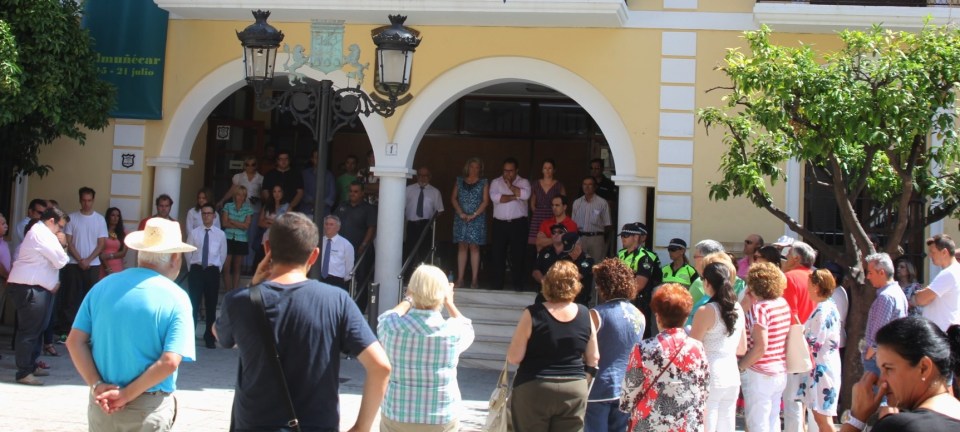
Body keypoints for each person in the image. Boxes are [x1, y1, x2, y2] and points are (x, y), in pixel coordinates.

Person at [215, 212, 391, 431]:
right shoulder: (336, 301)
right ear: (314, 255)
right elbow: (381, 366)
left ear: (268, 249)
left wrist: (253, 285)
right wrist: (360, 428)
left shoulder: (239, 301)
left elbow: (220, 334)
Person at [66, 217, 196, 430]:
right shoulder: (177, 297)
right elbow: (170, 361)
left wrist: (96, 384)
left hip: (102, 404)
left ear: (139, 253)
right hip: (147, 408)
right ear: (175, 258)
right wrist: (125, 395)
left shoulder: (102, 286)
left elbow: (74, 341)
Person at [378, 264, 474, 431]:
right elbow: (467, 327)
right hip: (441, 417)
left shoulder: (391, 327)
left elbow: (386, 316)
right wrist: (449, 302)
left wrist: (408, 300)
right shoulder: (453, 332)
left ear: (410, 290)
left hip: (397, 414)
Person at [507, 260, 599, 431]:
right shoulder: (585, 314)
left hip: (534, 385)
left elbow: (514, 357)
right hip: (574, 386)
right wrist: (583, 380)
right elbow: (594, 357)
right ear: (575, 285)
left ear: (547, 283)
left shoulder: (532, 313)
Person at [840, 317, 960, 432]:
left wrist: (856, 418)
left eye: (888, 368)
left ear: (924, 368)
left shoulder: (900, 426)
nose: (881, 381)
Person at [619, 283, 709, 432]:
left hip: (651, 423)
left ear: (658, 316)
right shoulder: (697, 348)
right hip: (687, 424)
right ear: (686, 317)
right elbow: (704, 389)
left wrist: (626, 407)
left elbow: (628, 394)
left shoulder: (643, 349)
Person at [7, 207, 69, 385]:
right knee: (29, 331)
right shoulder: (41, 233)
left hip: (38, 288)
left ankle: (31, 365)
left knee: (37, 330)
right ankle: (24, 372)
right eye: (60, 226)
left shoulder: (44, 233)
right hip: (30, 288)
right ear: (51, 221)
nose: (61, 231)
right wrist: (64, 245)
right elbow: (61, 261)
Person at [585, 258, 644, 432]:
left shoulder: (596, 314)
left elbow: (588, 351)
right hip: (627, 387)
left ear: (604, 285)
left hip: (599, 387)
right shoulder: (639, 315)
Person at [690, 263, 746, 432]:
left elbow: (692, 347)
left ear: (707, 282)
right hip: (731, 372)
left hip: (710, 372)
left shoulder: (706, 310)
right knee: (727, 423)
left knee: (707, 422)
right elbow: (742, 348)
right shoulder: (738, 307)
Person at [738, 261, 792, 432]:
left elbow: (760, 347)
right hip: (779, 370)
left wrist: (741, 366)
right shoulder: (782, 303)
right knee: (773, 419)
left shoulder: (760, 309)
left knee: (757, 423)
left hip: (759, 372)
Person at [780, 241, 818, 432]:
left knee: (793, 398)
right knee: (814, 399)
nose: (785, 260)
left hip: (796, 343)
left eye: (788, 256)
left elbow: (790, 314)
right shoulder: (817, 278)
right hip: (817, 344)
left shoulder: (789, 278)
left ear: (796, 258)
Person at [798, 269, 842, 432]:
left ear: (816, 287)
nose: (807, 288)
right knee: (820, 417)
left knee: (822, 418)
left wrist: (798, 334)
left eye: (809, 285)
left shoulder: (823, 310)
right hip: (824, 365)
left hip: (822, 368)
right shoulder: (829, 306)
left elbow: (814, 342)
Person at [61, 187, 108, 337]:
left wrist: (88, 260)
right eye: (84, 200)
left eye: (89, 200)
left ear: (93, 200)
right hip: (73, 264)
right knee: (70, 297)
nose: (86, 203)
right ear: (80, 200)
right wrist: (80, 260)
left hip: (93, 265)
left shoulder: (99, 219)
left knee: (90, 298)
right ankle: (67, 330)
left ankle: (88, 330)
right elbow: (69, 242)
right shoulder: (72, 218)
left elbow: (101, 244)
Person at [186, 203, 227, 349]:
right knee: (193, 303)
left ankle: (209, 336)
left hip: (212, 270)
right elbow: (188, 252)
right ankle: (188, 336)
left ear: (214, 216)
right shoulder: (194, 233)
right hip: (197, 269)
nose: (206, 216)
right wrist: (191, 268)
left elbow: (222, 254)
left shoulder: (220, 234)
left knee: (211, 305)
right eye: (203, 213)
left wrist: (216, 269)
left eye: (209, 213)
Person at [863, 252, 909, 378]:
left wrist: (869, 355)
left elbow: (878, 334)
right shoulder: (898, 292)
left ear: (882, 273)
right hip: (889, 356)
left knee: (876, 390)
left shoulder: (886, 297)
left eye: (870, 273)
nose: (868, 277)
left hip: (878, 360)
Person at [490, 157, 532, 290]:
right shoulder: (496, 182)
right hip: (500, 224)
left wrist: (510, 187)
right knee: (498, 255)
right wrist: (515, 197)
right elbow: (497, 198)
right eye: (505, 171)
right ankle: (497, 286)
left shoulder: (524, 182)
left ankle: (518, 286)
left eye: (510, 171)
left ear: (517, 170)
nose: (507, 174)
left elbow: (525, 195)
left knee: (518, 255)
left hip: (518, 224)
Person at [616, 222, 661, 338]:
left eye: (626, 235)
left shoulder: (645, 257)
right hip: (622, 299)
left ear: (636, 237)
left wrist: (619, 291)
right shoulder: (620, 254)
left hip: (639, 301)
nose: (622, 238)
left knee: (640, 332)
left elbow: (639, 284)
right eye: (622, 235)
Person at [217, 155, 263, 266]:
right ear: (244, 166)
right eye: (247, 164)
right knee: (239, 235)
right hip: (239, 210)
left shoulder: (261, 178)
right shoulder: (238, 177)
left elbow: (264, 194)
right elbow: (232, 191)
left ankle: (249, 265)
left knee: (251, 237)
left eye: (253, 164)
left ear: (256, 166)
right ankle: (239, 265)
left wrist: (259, 199)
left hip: (254, 210)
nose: (250, 167)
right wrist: (222, 200)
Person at [451, 157, 489, 288]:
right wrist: (460, 212)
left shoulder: (484, 182)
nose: (474, 169)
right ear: (467, 167)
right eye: (472, 166)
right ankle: (460, 278)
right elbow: (453, 198)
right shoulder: (459, 180)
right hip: (461, 218)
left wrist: (474, 214)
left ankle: (474, 279)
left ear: (480, 169)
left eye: (477, 167)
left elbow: (485, 201)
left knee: (474, 247)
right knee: (462, 246)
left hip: (477, 218)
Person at [912, 234, 960, 331]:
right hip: (947, 331)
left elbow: (920, 299)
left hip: (942, 332)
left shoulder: (948, 273)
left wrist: (917, 295)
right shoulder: (955, 270)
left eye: (933, 252)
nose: (930, 256)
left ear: (944, 252)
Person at [404, 166, 444, 274]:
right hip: (411, 224)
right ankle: (407, 276)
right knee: (409, 251)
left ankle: (424, 275)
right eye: (420, 175)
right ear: (417, 176)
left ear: (429, 177)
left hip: (426, 224)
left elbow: (439, 210)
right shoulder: (408, 189)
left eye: (425, 176)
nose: (422, 178)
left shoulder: (435, 192)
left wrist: (431, 221)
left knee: (425, 251)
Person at [221, 185, 254, 292]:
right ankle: (227, 290)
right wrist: (240, 224)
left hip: (241, 240)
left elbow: (246, 226)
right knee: (226, 266)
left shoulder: (248, 208)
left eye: (243, 195)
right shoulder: (228, 206)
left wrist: (232, 221)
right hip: (228, 238)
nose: (241, 197)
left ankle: (234, 291)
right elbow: (224, 223)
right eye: (239, 194)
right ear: (235, 195)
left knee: (237, 266)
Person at [572, 176, 612, 261]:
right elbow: (573, 224)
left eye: (590, 184)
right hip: (581, 238)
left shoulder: (602, 203)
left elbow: (607, 225)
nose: (587, 187)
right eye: (584, 184)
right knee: (580, 263)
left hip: (596, 238)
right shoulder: (577, 203)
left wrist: (604, 240)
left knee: (596, 265)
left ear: (595, 187)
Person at [528, 159, 566, 248]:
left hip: (553, 216)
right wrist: (538, 212)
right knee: (536, 245)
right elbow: (532, 204)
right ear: (542, 170)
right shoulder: (536, 184)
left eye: (550, 168)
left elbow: (563, 203)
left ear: (554, 170)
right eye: (545, 168)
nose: (547, 170)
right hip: (538, 217)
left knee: (552, 242)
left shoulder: (559, 185)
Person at [335, 181, 377, 259]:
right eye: (350, 191)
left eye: (356, 192)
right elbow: (333, 222)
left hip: (359, 249)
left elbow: (371, 228)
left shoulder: (369, 209)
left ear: (362, 193)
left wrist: (363, 245)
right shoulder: (342, 205)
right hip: (342, 248)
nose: (352, 194)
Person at [318, 215, 355, 291]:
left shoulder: (346, 244)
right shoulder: (318, 242)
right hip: (319, 278)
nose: (328, 226)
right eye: (326, 224)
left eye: (331, 224)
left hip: (336, 281)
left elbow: (349, 266)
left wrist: (345, 279)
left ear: (338, 228)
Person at [256, 184, 289, 266]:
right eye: (274, 191)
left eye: (279, 191)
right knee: (264, 263)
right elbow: (260, 222)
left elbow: (287, 225)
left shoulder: (287, 207)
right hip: (266, 238)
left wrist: (269, 221)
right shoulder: (267, 205)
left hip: (279, 239)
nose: (277, 194)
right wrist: (274, 223)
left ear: (283, 193)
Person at [300, 149, 336, 219]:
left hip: (324, 212)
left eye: (321, 157)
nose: (319, 160)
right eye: (316, 157)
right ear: (312, 159)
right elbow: (302, 191)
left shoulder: (329, 175)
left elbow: (332, 195)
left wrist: (321, 204)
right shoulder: (305, 174)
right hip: (306, 211)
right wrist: (312, 201)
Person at [98, 207, 127, 278]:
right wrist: (108, 269)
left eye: (118, 216)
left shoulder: (124, 233)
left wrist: (109, 256)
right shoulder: (101, 231)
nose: (115, 218)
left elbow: (123, 253)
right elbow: (99, 251)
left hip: (117, 265)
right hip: (103, 265)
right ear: (108, 217)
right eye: (113, 215)